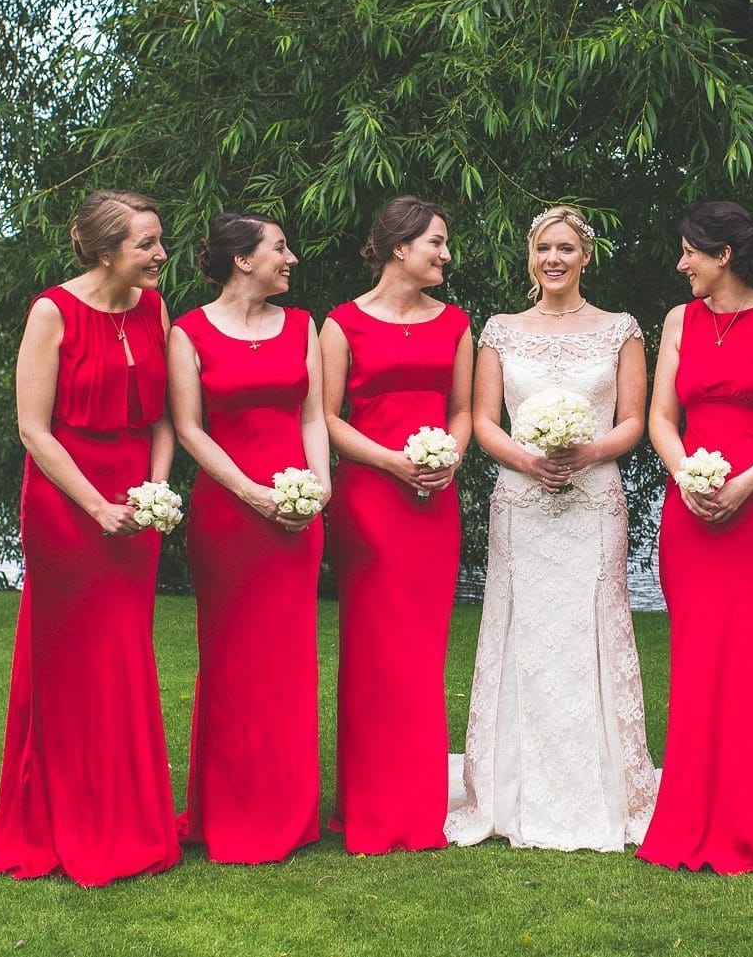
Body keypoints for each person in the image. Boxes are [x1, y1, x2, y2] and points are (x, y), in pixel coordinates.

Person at [0, 189, 181, 887]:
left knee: (124, 654)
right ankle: (70, 818)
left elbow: (162, 414)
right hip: (68, 505)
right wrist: (96, 505)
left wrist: (154, 489)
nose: (161, 255)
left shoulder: (155, 308)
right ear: (104, 252)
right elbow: (33, 428)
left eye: (159, 241)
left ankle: (134, 817)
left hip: (134, 501)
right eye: (146, 244)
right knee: (71, 661)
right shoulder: (51, 311)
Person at [447, 205, 657, 851]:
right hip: (524, 497)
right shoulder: (502, 331)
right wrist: (531, 460)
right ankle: (511, 787)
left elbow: (632, 421)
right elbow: (483, 421)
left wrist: (587, 453)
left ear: (586, 256)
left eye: (566, 248)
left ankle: (606, 786)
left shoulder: (620, 328)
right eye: (544, 248)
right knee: (524, 628)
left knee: (594, 624)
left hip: (593, 498)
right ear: (531, 255)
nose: (555, 259)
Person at [636, 201, 753, 878]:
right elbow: (662, 416)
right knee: (700, 662)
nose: (681, 262)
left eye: (691, 251)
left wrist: (744, 483)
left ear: (724, 255)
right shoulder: (678, 321)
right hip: (692, 506)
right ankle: (698, 812)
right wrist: (685, 472)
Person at [168, 212, 329, 864]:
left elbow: (314, 414)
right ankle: (226, 809)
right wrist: (251, 492)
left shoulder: (302, 325)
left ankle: (289, 811)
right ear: (241, 259)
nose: (290, 258)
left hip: (295, 520)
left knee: (288, 664)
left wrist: (318, 486)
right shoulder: (188, 332)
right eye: (279, 248)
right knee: (232, 662)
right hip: (229, 520)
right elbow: (189, 428)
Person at [322, 196, 474, 854]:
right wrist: (391, 460)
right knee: (372, 649)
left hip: (433, 504)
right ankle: (365, 803)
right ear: (396, 246)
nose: (444, 254)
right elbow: (326, 418)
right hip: (369, 502)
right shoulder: (341, 324)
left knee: (421, 651)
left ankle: (418, 802)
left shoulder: (457, 323)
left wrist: (450, 455)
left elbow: (464, 409)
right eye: (435, 242)